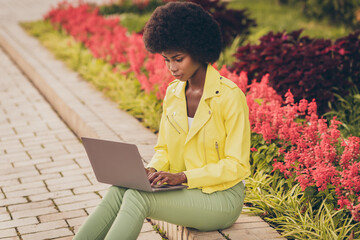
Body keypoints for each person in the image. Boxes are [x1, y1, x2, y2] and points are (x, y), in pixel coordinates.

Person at [74, 2, 250, 239]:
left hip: (221, 198)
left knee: (138, 198)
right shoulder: (173, 93)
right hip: (186, 191)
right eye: (166, 60)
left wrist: (184, 177)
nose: (172, 68)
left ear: (199, 50)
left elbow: (237, 165)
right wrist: (153, 170)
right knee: (120, 189)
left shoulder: (229, 96)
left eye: (178, 59)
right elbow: (164, 148)